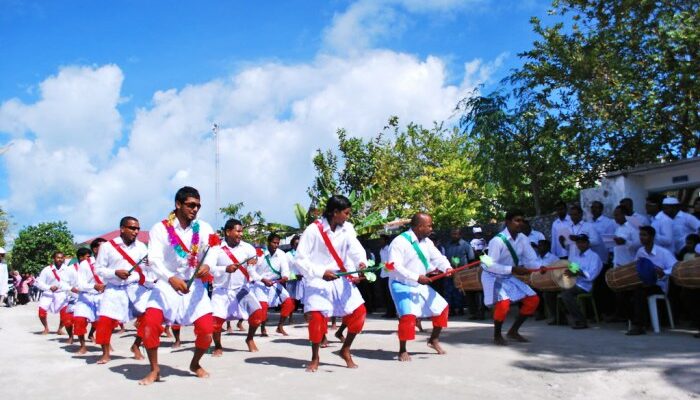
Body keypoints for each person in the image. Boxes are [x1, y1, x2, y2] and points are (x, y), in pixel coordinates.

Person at [138, 186, 216, 384]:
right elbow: (154, 259)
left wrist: (207, 264)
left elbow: (213, 250)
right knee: (150, 325)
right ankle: (154, 369)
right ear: (178, 204)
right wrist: (170, 278)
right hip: (166, 286)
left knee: (208, 331)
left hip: (194, 287)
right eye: (191, 205)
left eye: (198, 205)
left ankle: (195, 363)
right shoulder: (160, 228)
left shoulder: (204, 227)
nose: (195, 209)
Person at [295, 194, 368, 372]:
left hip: (341, 278)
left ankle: (345, 349)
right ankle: (315, 357)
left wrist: (361, 264)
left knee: (359, 314)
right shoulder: (313, 230)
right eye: (346, 213)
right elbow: (299, 259)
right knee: (317, 319)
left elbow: (356, 250)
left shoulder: (348, 229)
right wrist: (321, 272)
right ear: (335, 212)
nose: (348, 217)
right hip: (318, 280)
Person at [387, 213, 452, 361]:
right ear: (419, 227)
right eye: (429, 225)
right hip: (401, 284)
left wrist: (447, 268)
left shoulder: (427, 242)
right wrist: (417, 277)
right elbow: (393, 266)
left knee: (442, 309)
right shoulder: (399, 242)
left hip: (419, 283)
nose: (431, 228)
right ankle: (402, 349)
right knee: (407, 317)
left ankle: (433, 340)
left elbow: (438, 257)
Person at [205, 218, 265, 354]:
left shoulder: (248, 248)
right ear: (228, 232)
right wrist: (225, 269)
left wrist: (255, 263)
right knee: (216, 322)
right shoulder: (216, 249)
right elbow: (209, 268)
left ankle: (249, 339)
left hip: (241, 289)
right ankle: (218, 346)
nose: (241, 234)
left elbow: (252, 270)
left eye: (241, 231)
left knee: (257, 314)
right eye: (238, 231)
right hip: (221, 290)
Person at [483, 209, 542, 345]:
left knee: (533, 299)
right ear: (508, 222)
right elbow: (489, 265)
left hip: (508, 274)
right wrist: (513, 269)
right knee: (503, 304)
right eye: (517, 220)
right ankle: (497, 335)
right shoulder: (497, 241)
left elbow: (531, 259)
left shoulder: (523, 239)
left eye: (522, 220)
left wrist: (539, 267)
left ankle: (513, 331)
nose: (520, 223)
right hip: (492, 275)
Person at [94, 217, 149, 364]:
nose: (136, 231)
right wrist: (114, 273)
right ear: (122, 228)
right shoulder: (107, 247)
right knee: (105, 322)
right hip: (114, 289)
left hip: (135, 288)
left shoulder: (142, 247)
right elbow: (98, 269)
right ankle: (105, 353)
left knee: (149, 316)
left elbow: (146, 269)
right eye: (132, 228)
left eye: (137, 228)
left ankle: (136, 346)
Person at [624, 226, 678, 335]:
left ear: (652, 237)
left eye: (644, 235)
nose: (641, 237)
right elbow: (635, 266)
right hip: (643, 283)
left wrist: (663, 272)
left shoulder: (663, 252)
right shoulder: (640, 251)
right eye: (640, 235)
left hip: (659, 285)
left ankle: (639, 325)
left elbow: (676, 267)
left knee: (640, 292)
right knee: (625, 291)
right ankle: (637, 320)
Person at [555, 235, 603, 329]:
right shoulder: (576, 257)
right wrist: (569, 273)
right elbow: (573, 271)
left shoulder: (594, 257)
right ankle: (562, 318)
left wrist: (578, 273)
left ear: (588, 243)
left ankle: (581, 320)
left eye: (583, 242)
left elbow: (591, 276)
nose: (580, 244)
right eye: (578, 242)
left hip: (585, 286)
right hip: (575, 283)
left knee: (566, 294)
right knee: (555, 289)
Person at [253, 233, 295, 336]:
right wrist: (262, 280)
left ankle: (280, 326)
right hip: (260, 283)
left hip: (275, 283)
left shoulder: (281, 254)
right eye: (274, 242)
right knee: (263, 307)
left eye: (278, 243)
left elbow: (285, 269)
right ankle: (263, 328)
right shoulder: (259, 254)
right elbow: (252, 271)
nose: (276, 245)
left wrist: (285, 276)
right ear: (268, 242)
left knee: (289, 303)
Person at [35, 251, 74, 335]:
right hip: (48, 294)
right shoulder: (47, 269)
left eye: (61, 258)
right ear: (54, 258)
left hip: (62, 294)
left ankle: (60, 329)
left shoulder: (68, 270)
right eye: (57, 257)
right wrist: (49, 287)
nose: (59, 259)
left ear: (64, 259)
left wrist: (70, 291)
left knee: (64, 314)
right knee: (41, 312)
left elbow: (73, 282)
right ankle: (46, 328)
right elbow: (39, 283)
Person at [71, 247, 102, 354]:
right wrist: (94, 286)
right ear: (95, 249)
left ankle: (105, 346)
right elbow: (80, 284)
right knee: (79, 320)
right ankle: (82, 346)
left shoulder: (110, 262)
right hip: (85, 296)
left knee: (104, 322)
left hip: (101, 297)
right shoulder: (84, 264)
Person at [443, 228, 473, 316]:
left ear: (460, 235)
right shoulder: (447, 245)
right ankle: (451, 309)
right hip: (450, 272)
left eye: (456, 234)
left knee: (460, 291)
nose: (454, 236)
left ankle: (460, 309)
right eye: (452, 234)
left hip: (462, 273)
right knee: (448, 291)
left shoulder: (466, 245)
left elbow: (471, 259)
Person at [378, 234, 396, 318]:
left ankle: (391, 312)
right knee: (385, 294)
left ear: (385, 240)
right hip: (383, 274)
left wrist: (386, 267)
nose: (379, 241)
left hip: (389, 274)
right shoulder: (381, 250)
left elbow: (391, 262)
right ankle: (388, 311)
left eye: (381, 240)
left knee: (390, 295)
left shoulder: (389, 249)